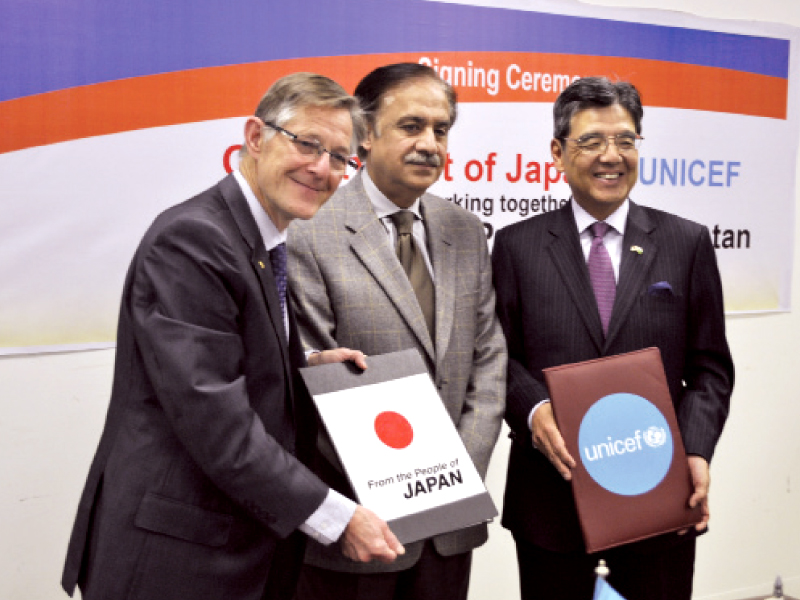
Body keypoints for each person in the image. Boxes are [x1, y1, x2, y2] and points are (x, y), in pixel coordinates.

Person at [60, 72, 405, 600]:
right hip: (174, 558)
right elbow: (212, 417)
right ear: (255, 136)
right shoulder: (195, 239)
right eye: (308, 144)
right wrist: (337, 516)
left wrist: (302, 368)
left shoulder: (262, 237)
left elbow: (229, 357)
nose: (323, 169)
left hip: (226, 547)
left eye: (340, 157)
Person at [492, 76, 734, 600]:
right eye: (592, 141)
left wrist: (694, 451)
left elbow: (711, 369)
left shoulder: (686, 242)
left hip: (658, 499)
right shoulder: (516, 246)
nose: (612, 156)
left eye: (626, 140)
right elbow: (496, 358)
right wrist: (533, 410)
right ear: (557, 152)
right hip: (550, 508)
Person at [287, 62, 507, 600]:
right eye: (411, 126)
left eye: (441, 129)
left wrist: (450, 478)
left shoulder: (465, 230)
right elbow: (311, 378)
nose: (430, 143)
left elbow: (489, 363)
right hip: (361, 534)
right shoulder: (310, 229)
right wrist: (399, 492)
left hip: (450, 529)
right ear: (365, 132)